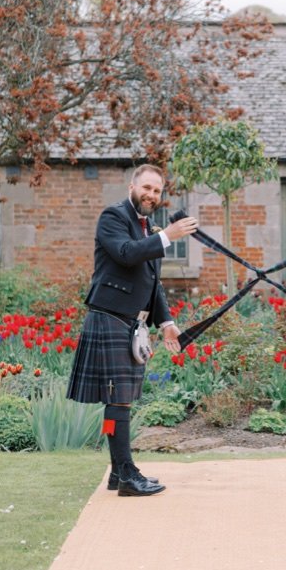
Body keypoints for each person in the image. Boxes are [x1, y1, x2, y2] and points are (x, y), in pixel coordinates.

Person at [67, 164, 197, 496]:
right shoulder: (113, 218)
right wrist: (167, 236)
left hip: (131, 323)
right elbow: (125, 255)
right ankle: (126, 475)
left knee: (119, 401)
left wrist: (167, 323)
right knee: (118, 401)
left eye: (158, 191)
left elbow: (153, 283)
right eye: (147, 188)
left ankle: (117, 471)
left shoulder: (147, 229)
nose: (152, 195)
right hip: (110, 317)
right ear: (132, 187)